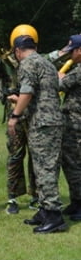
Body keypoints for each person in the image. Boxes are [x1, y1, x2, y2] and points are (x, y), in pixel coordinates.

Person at [7, 34, 67, 233]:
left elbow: (27, 92)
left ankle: (53, 215)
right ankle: (43, 210)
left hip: (42, 124)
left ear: (18, 51)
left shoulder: (26, 64)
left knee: (44, 169)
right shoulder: (47, 63)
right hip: (52, 121)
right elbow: (45, 92)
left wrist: (15, 116)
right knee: (45, 166)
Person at [0, 23, 38, 214]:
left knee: (35, 156)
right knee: (15, 156)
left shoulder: (37, 61)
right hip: (15, 117)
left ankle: (36, 196)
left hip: (34, 116)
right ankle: (13, 198)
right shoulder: (6, 64)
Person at [57, 34, 81, 221]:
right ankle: (76, 201)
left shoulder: (79, 71)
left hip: (77, 126)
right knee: (71, 163)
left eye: (72, 50)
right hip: (72, 124)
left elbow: (60, 84)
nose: (70, 54)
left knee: (76, 164)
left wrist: (60, 76)